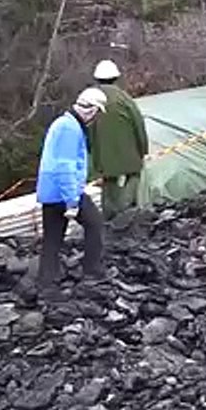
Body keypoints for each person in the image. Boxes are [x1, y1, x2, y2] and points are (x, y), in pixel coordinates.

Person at [37, 87, 108, 288]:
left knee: (52, 239)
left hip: (51, 192)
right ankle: (92, 271)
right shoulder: (70, 129)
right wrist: (72, 201)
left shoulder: (62, 123)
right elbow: (65, 166)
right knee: (95, 224)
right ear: (92, 110)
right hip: (65, 192)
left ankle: (46, 283)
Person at [88, 60, 150, 220]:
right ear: (116, 77)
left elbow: (86, 129)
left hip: (103, 154)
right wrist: (143, 149)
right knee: (133, 176)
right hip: (128, 152)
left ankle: (109, 217)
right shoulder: (124, 98)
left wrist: (91, 155)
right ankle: (126, 210)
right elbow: (138, 124)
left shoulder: (90, 99)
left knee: (109, 183)